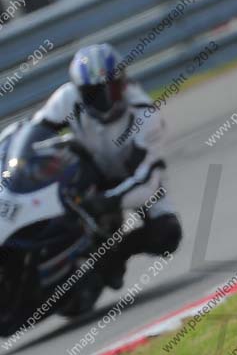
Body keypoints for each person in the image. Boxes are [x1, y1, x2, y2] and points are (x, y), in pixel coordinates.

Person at [32, 43, 181, 289]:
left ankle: (116, 254)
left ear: (124, 82)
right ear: (81, 91)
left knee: (168, 233)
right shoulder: (67, 98)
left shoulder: (145, 114)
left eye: (113, 87)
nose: (107, 99)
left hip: (132, 177)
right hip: (85, 169)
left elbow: (147, 179)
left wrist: (107, 202)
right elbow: (33, 133)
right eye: (96, 93)